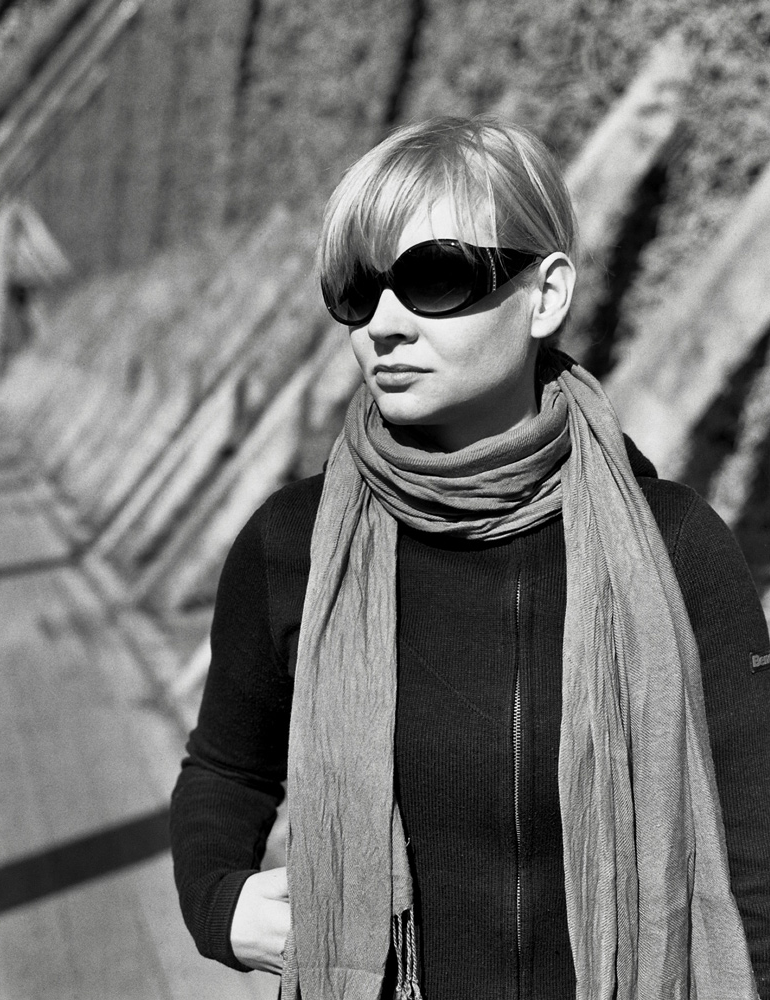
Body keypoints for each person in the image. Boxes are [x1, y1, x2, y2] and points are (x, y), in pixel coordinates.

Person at [169, 114, 770, 1000]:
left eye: (434, 278)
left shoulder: (676, 547)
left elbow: (754, 853)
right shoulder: (292, 546)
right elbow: (225, 769)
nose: (384, 324)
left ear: (545, 294)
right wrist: (217, 903)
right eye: (357, 290)